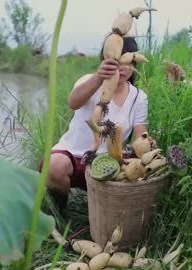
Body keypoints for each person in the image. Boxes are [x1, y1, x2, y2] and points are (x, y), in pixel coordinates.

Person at [39, 36, 156, 210]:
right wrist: (98, 78)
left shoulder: (139, 97)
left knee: (144, 169)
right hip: (74, 156)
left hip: (111, 161)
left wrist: (147, 143)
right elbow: (73, 103)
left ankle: (104, 212)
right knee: (54, 166)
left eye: (128, 61)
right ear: (106, 59)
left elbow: (140, 135)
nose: (122, 68)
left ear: (134, 64)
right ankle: (60, 213)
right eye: (117, 60)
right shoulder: (90, 80)